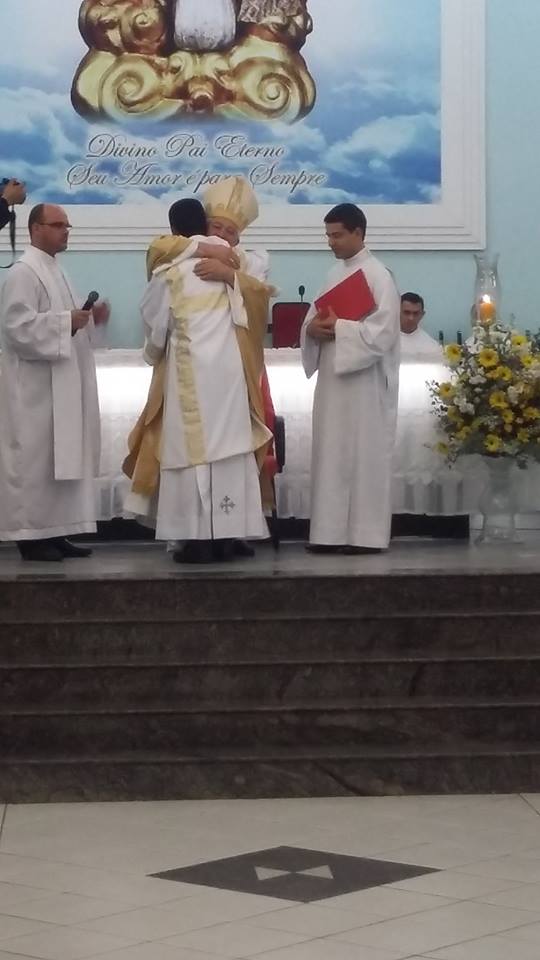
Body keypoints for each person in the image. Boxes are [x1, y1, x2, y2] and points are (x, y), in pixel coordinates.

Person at [124, 199, 271, 563]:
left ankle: (196, 540)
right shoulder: (237, 262)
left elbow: (156, 326)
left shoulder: (169, 271)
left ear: (174, 231)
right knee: (231, 450)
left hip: (189, 376)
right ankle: (229, 536)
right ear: (205, 224)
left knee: (190, 456)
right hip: (230, 377)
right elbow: (260, 292)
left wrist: (152, 355)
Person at [0, 203, 109, 561]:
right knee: (35, 462)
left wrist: (86, 318)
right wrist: (66, 322)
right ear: (35, 228)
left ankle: (56, 530)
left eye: (67, 225)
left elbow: (64, 321)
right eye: (58, 224)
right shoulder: (23, 272)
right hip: (33, 391)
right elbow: (16, 327)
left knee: (58, 462)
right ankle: (30, 536)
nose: (65, 231)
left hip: (59, 385)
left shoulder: (55, 269)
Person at [301, 203, 400, 554]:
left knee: (362, 456)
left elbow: (383, 333)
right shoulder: (333, 274)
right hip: (333, 383)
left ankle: (365, 536)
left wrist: (338, 328)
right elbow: (313, 318)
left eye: (338, 235)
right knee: (331, 453)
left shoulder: (379, 276)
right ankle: (327, 534)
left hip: (364, 385)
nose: (331, 242)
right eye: (328, 235)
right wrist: (311, 329)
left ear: (359, 232)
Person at [400, 292, 441, 356]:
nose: (411, 318)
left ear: (422, 315)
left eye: (416, 313)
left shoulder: (431, 346)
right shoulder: (385, 340)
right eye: (406, 312)